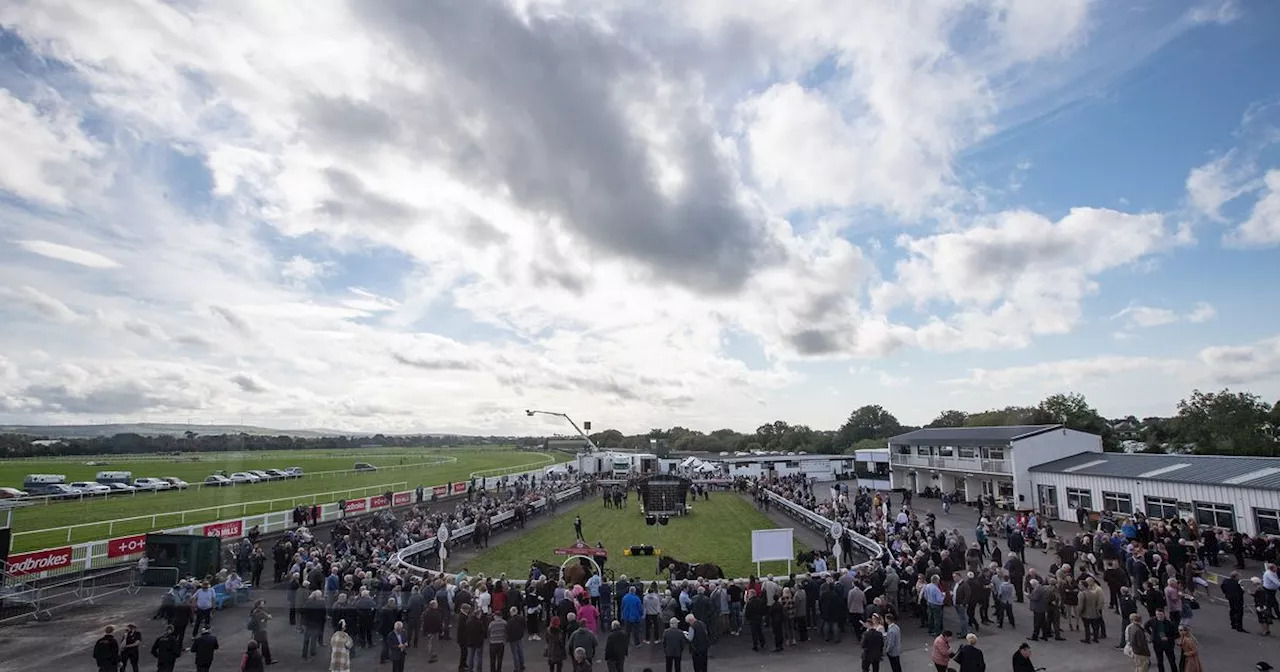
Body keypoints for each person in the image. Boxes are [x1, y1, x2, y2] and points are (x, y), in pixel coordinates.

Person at [248, 599, 274, 665]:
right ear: (259, 605)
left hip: (255, 631)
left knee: (255, 645)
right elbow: (269, 617)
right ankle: (268, 660)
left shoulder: (254, 611)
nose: (263, 605)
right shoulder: (261, 612)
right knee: (265, 646)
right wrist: (267, 617)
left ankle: (250, 659)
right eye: (262, 604)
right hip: (261, 630)